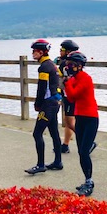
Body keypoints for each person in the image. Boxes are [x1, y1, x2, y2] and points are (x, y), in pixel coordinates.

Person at [62, 51, 98, 196]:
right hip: (80, 117)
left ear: (79, 66)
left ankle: (89, 181)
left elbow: (74, 94)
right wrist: (68, 82)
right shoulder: (75, 78)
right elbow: (70, 98)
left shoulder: (85, 78)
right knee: (81, 152)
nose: (69, 67)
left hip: (90, 118)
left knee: (84, 151)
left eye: (72, 65)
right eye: (68, 64)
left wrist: (67, 82)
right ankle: (87, 179)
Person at [25, 39, 63, 174]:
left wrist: (37, 104)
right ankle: (58, 161)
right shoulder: (52, 65)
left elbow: (42, 88)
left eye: (34, 51)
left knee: (37, 133)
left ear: (41, 52)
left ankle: (40, 164)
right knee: (54, 132)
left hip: (47, 104)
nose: (32, 54)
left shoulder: (44, 67)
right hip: (55, 102)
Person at [57, 39, 79, 153]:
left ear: (68, 51)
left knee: (69, 122)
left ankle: (88, 142)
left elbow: (60, 81)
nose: (60, 51)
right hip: (71, 95)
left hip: (69, 95)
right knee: (69, 121)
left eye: (62, 50)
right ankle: (65, 145)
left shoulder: (64, 65)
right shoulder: (73, 64)